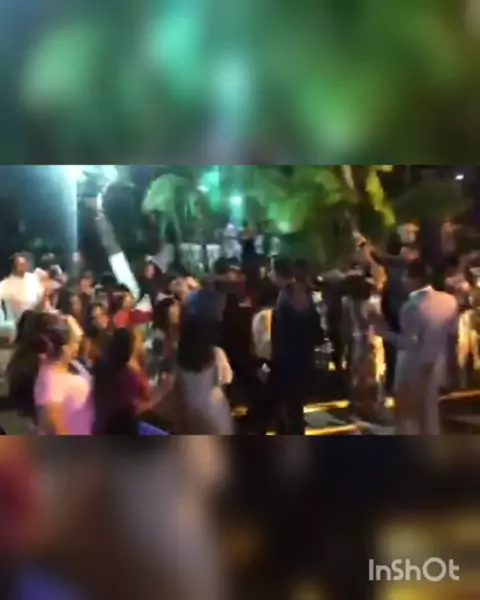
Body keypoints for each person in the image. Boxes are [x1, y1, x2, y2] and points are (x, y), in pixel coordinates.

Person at [374, 258, 458, 434]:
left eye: (405, 276)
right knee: (430, 413)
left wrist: (384, 332)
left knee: (409, 416)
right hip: (437, 364)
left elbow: (408, 342)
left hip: (412, 367)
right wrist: (452, 366)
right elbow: (452, 337)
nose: (403, 279)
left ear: (415, 279)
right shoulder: (449, 300)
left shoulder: (411, 306)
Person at [270, 259, 324, 434]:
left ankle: (291, 429)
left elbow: (278, 331)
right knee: (293, 402)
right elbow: (317, 331)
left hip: (289, 357)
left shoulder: (284, 297)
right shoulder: (306, 297)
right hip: (298, 357)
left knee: (290, 401)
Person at [174, 290, 234, 434]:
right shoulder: (215, 353)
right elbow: (227, 378)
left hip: (191, 410)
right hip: (215, 409)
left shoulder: (179, 357)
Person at [92, 327, 170, 434]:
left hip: (101, 429)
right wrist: (163, 392)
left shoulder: (100, 368)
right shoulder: (128, 377)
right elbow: (133, 411)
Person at [33, 313, 94, 435]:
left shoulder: (74, 366)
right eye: (75, 343)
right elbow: (54, 424)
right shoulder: (50, 380)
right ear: (64, 348)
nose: (77, 348)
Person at [0, 253, 43, 324]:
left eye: (25, 263)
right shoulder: (4, 284)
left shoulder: (33, 279)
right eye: (21, 264)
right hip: (13, 323)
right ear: (13, 266)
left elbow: (41, 298)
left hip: (33, 322)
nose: (24, 265)